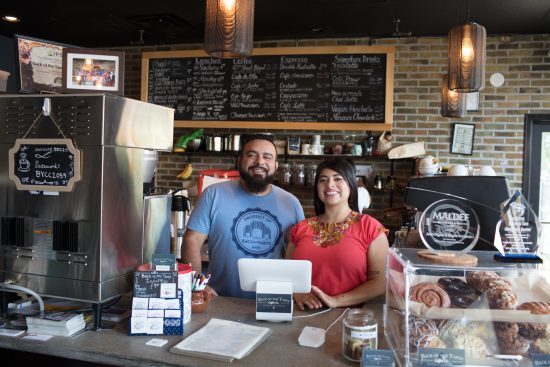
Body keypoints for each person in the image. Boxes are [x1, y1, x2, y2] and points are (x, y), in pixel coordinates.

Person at [182, 134, 305, 298]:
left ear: (276, 166)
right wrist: (196, 287)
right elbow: (192, 241)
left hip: (273, 301)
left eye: (267, 157)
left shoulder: (291, 203)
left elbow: (300, 253)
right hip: (220, 300)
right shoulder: (213, 195)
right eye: (252, 155)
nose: (259, 161)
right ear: (239, 161)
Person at [286, 157, 389, 309]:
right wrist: (297, 294)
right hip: (300, 314)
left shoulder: (370, 228)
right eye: (323, 180)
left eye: (338, 179)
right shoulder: (300, 228)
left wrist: (336, 301)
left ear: (350, 185)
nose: (330, 185)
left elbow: (380, 282)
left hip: (348, 318)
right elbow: (286, 275)